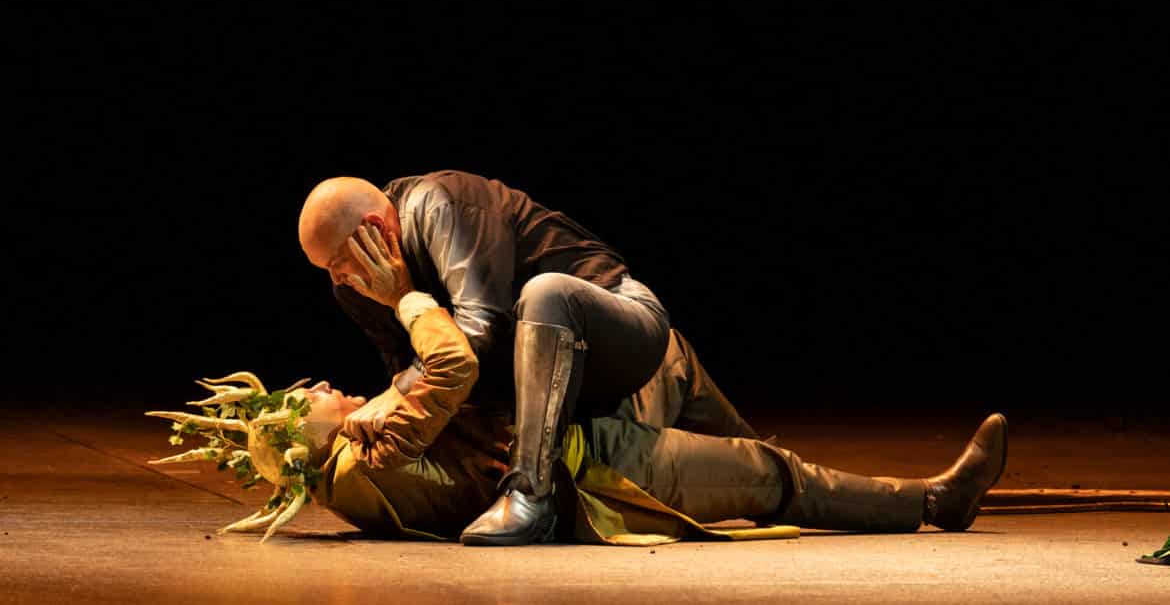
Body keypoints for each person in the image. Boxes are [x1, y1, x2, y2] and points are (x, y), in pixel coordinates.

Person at [147, 295, 1009, 544]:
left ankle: (813, 490)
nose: (325, 388)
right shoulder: (368, 456)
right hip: (595, 475)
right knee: (766, 478)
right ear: (310, 440)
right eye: (309, 399)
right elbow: (452, 362)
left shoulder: (361, 450)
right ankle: (936, 503)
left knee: (671, 357)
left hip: (585, 433)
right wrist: (406, 297)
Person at [297, 169, 676, 544]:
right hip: (559, 397)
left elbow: (485, 327)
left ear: (375, 228)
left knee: (546, 294)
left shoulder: (438, 205)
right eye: (326, 269)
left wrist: (402, 318)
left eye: (337, 262)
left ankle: (530, 495)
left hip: (616, 335)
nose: (337, 279)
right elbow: (409, 363)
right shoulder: (351, 287)